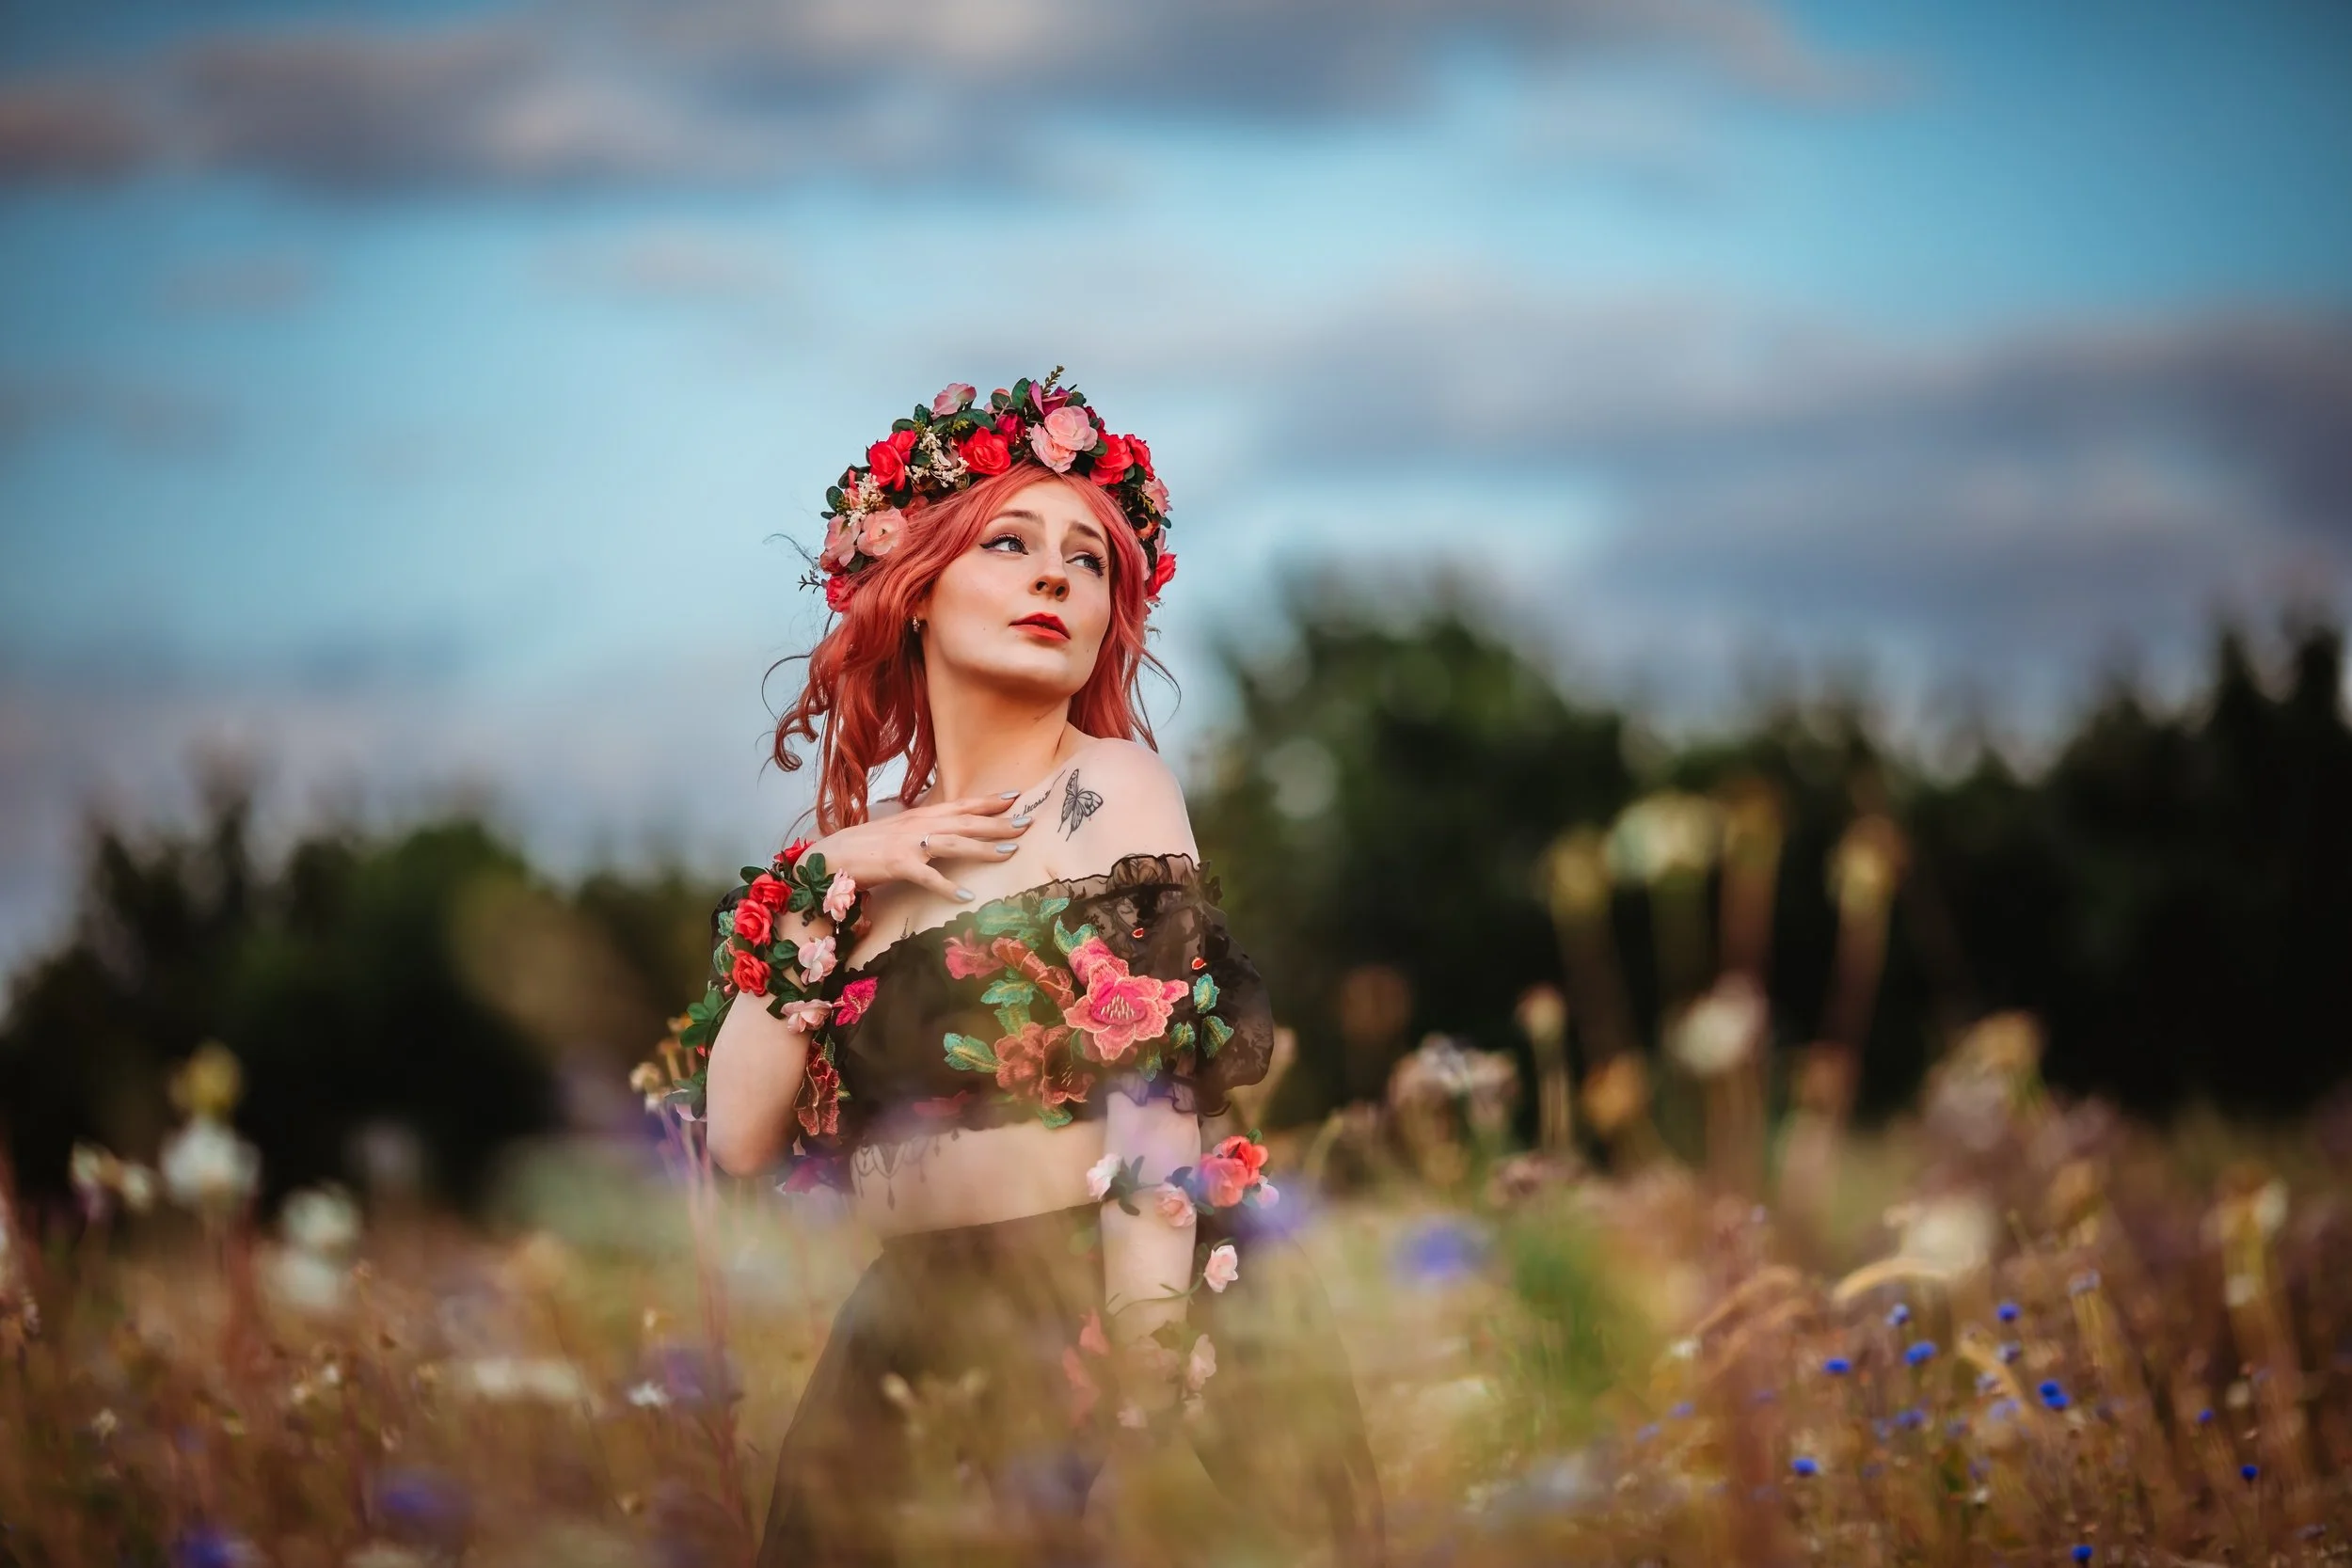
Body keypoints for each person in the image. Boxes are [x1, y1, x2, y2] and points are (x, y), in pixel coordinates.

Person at [696, 372, 1384, 1565]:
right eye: (1008, 542)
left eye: (1089, 559)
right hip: (914, 1321)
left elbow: (1156, 1098)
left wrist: (1142, 1399)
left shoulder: (1109, 786)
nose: (1055, 576)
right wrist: (823, 878)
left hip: (1108, 1285)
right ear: (913, 587)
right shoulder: (847, 863)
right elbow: (738, 1136)